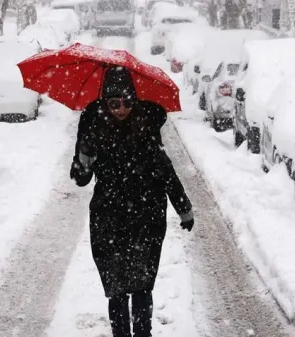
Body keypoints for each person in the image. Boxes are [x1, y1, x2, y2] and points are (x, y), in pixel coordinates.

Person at [70, 66, 195, 337]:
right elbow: (80, 179)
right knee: (116, 288)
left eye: (128, 101)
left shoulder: (147, 127)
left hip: (146, 216)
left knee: (141, 286)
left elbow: (166, 171)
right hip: (108, 218)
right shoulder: (92, 128)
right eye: (114, 103)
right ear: (105, 102)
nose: (122, 108)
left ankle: (142, 333)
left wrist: (183, 207)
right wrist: (84, 156)